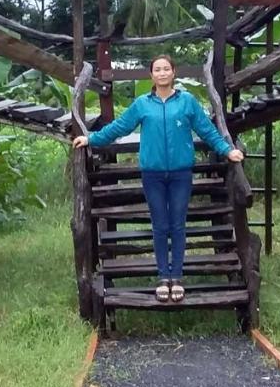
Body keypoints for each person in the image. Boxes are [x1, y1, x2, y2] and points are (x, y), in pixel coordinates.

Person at [73, 55, 244, 303]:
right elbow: (120, 127)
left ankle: (177, 278)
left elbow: (206, 130)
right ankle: (163, 277)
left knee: (178, 225)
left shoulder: (187, 102)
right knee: (160, 225)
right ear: (151, 75)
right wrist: (92, 138)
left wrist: (227, 150)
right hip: (152, 174)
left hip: (181, 174)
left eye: (166, 69)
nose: (162, 73)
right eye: (157, 69)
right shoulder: (142, 104)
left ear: (173, 72)